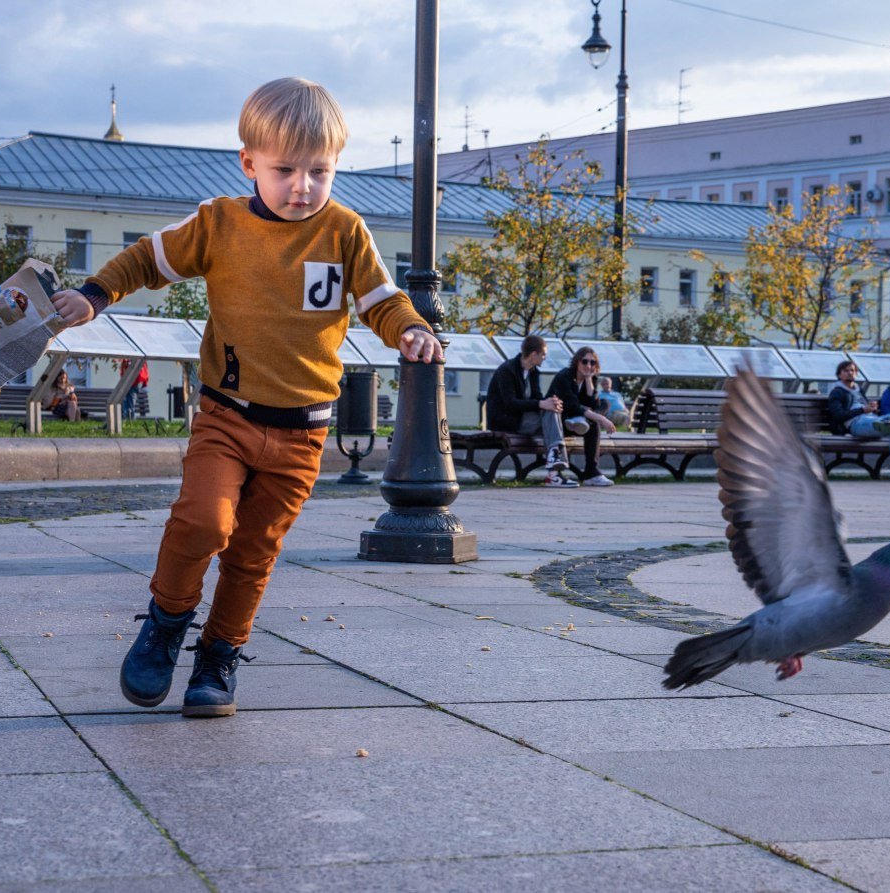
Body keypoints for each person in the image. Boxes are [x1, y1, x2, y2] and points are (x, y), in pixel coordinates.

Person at [49, 77, 440, 718]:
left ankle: (218, 657)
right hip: (227, 417)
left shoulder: (343, 231)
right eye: (285, 170)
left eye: (320, 171)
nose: (302, 186)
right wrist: (94, 295)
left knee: (253, 552)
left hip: (303, 432)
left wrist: (413, 330)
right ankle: (166, 624)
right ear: (249, 163)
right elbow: (145, 259)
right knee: (204, 521)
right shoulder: (220, 224)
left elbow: (382, 299)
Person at [484, 334, 577, 488]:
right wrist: (543, 404)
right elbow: (510, 403)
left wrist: (551, 403)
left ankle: (554, 470)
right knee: (551, 415)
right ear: (534, 354)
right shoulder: (506, 371)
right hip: (506, 420)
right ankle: (555, 470)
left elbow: (537, 398)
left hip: (524, 419)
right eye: (543, 354)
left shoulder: (534, 372)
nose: (545, 358)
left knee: (552, 412)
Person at [827, 359, 890, 483]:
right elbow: (838, 415)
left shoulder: (859, 390)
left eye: (852, 370)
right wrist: (862, 410)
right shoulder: (837, 392)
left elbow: (866, 409)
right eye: (846, 371)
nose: (849, 373)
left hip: (872, 420)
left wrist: (873, 408)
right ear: (839, 374)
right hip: (856, 424)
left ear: (856, 373)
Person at [547, 348, 616, 487]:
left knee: (603, 406)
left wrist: (589, 379)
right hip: (560, 421)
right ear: (577, 361)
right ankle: (579, 421)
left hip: (578, 421)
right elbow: (571, 405)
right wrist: (602, 419)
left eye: (593, 362)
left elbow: (593, 404)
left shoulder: (590, 378)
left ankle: (591, 473)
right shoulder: (564, 376)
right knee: (595, 420)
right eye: (585, 361)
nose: (588, 366)